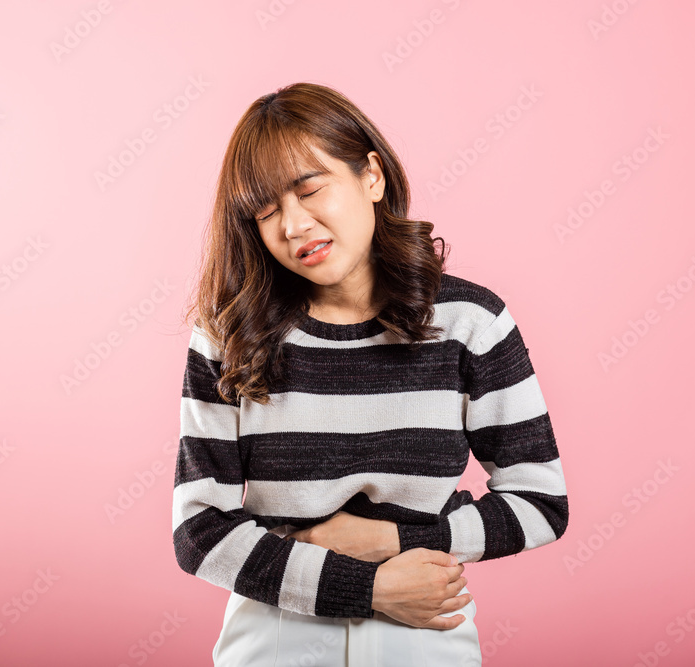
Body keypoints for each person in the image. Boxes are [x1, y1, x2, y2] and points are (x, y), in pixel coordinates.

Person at [171, 82, 569, 666]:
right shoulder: (227, 336)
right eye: (266, 210)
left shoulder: (468, 323)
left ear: (372, 177)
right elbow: (199, 531)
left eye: (309, 190)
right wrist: (369, 587)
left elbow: (541, 500)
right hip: (277, 631)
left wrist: (391, 541)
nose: (293, 224)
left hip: (425, 624)